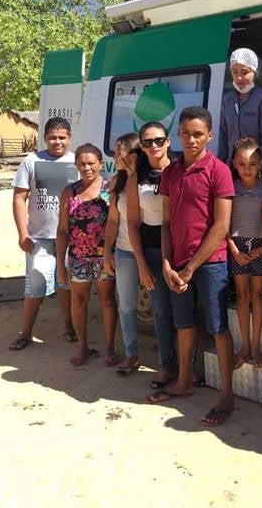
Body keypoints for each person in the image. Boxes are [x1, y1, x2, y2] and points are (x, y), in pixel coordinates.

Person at [150, 107, 236, 428]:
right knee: (183, 325)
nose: (191, 139)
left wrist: (189, 269)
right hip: (178, 264)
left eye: (198, 133)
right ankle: (184, 380)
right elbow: (167, 222)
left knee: (217, 327)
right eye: (186, 133)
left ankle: (226, 395)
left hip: (210, 263)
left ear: (210, 136)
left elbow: (221, 226)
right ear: (177, 135)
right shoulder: (170, 173)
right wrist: (168, 263)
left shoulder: (220, 171)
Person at [9, 116, 77, 351]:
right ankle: (25, 333)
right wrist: (22, 233)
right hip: (39, 237)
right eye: (52, 138)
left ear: (69, 138)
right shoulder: (31, 161)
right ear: (45, 138)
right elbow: (19, 198)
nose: (57, 142)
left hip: (70, 237)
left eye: (61, 137)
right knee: (35, 284)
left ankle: (69, 327)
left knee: (66, 284)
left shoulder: (78, 162)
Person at [56, 144, 118, 367]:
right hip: (78, 257)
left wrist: (110, 255)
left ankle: (109, 347)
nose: (87, 167)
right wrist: (61, 266)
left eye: (91, 163)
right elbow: (62, 231)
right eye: (82, 163)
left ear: (101, 163)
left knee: (107, 301)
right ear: (76, 166)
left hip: (104, 257)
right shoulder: (69, 192)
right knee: (78, 301)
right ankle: (83, 346)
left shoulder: (110, 189)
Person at [125, 122, 177, 387]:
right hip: (153, 250)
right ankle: (168, 366)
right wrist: (142, 265)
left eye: (159, 140)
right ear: (141, 147)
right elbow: (133, 224)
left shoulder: (180, 169)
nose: (154, 146)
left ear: (168, 141)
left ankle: (188, 369)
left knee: (185, 311)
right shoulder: (137, 177)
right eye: (147, 142)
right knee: (161, 312)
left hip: (182, 250)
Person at [227, 137, 262, 369]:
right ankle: (244, 346)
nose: (247, 168)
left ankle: (256, 346)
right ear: (234, 163)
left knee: (257, 294)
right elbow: (223, 221)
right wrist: (233, 248)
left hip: (261, 245)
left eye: (253, 163)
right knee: (242, 295)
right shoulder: (231, 187)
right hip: (237, 246)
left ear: (261, 163)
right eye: (242, 163)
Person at [103, 133, 142, 375]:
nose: (115, 156)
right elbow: (112, 221)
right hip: (125, 252)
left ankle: (168, 357)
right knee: (126, 306)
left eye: (120, 151)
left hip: (148, 251)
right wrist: (108, 251)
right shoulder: (117, 182)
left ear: (134, 155)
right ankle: (131, 353)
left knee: (161, 309)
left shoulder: (147, 181)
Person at [218, 48, 262, 166]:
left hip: (256, 169)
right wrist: (222, 165)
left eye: (244, 72)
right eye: (235, 72)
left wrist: (252, 162)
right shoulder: (227, 100)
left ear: (256, 72)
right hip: (232, 168)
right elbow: (223, 137)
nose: (239, 77)